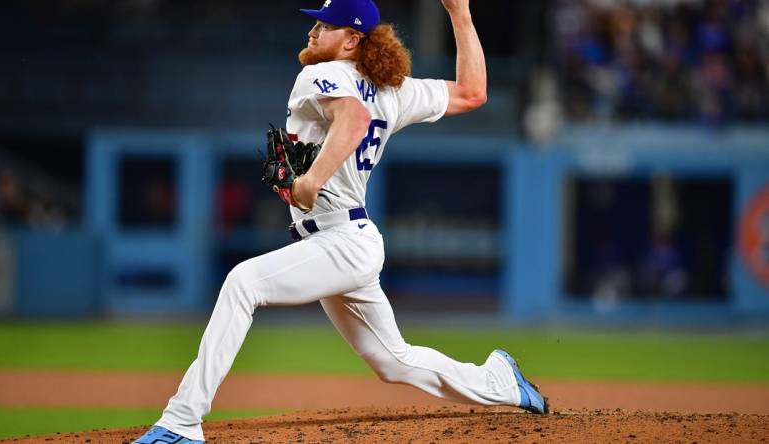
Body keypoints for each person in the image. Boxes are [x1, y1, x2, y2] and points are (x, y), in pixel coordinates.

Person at [134, 0, 546, 442]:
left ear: (351, 40)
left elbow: (354, 119)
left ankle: (181, 422)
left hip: (342, 239)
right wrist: (460, 14)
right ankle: (499, 380)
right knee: (393, 361)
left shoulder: (319, 74)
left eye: (325, 25)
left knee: (242, 282)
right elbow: (472, 93)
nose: (313, 31)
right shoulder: (393, 89)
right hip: (349, 241)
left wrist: (312, 179)